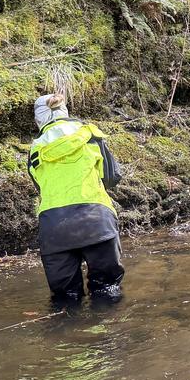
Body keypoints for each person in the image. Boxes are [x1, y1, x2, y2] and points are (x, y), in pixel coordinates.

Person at [27, 93, 125, 305]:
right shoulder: (90, 136)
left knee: (65, 299)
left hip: (53, 228)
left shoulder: (35, 150)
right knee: (106, 290)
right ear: (65, 111)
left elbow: (40, 187)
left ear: (38, 120)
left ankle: (67, 334)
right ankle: (107, 335)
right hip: (96, 220)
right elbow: (112, 177)